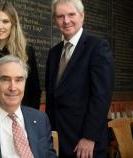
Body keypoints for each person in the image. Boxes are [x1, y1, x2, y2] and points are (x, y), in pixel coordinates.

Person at [45, 0, 114, 158]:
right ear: (55, 21)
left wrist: (89, 137)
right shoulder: (53, 53)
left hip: (84, 144)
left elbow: (101, 97)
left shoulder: (98, 47)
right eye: (60, 16)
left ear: (82, 16)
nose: (66, 20)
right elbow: (52, 98)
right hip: (57, 141)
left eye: (71, 14)